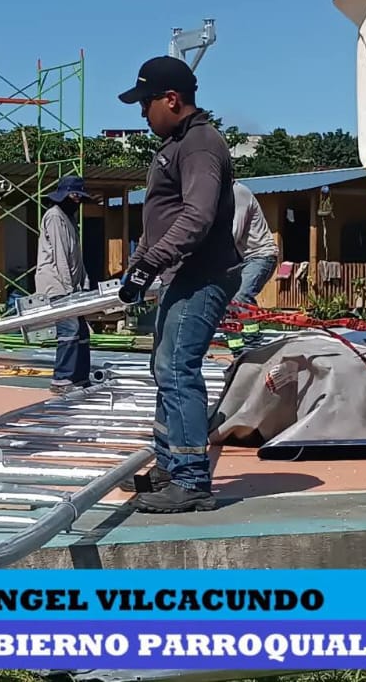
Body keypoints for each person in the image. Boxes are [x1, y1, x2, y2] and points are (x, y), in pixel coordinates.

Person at [114, 56, 242, 514]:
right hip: (181, 273)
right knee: (164, 367)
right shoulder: (178, 144)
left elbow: (197, 216)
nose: (142, 113)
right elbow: (163, 220)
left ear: (171, 99)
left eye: (145, 103)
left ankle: (190, 479)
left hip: (201, 274)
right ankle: (170, 466)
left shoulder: (200, 144)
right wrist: (138, 267)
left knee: (176, 369)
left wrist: (150, 263)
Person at [34, 175, 94, 395]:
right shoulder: (54, 216)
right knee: (70, 329)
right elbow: (60, 255)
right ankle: (62, 378)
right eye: (75, 196)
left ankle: (80, 376)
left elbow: (76, 256)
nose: (77, 201)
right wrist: (69, 290)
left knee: (83, 332)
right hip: (57, 284)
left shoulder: (70, 218)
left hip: (72, 285)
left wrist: (84, 283)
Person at [220, 181, 280, 351]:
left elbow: (234, 233)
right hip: (239, 258)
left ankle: (252, 341)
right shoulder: (217, 196)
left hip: (260, 255)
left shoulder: (238, 192)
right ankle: (236, 348)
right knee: (225, 299)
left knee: (241, 296)